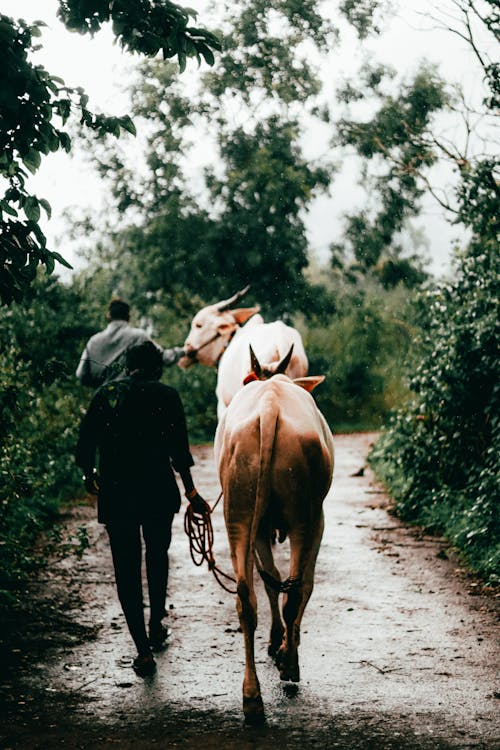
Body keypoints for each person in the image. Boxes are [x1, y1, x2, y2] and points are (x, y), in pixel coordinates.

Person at [75, 340, 210, 677]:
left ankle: (142, 648)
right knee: (157, 555)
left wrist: (89, 473)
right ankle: (156, 622)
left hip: (118, 493)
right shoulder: (166, 396)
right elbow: (179, 451)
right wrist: (192, 492)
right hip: (156, 491)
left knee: (126, 566)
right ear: (156, 368)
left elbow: (85, 442)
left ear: (126, 365)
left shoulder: (106, 394)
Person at [76, 297, 187, 388]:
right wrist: (183, 351)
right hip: (133, 399)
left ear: (109, 316)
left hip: (105, 402)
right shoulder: (138, 337)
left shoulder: (93, 341)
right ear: (128, 317)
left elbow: (81, 375)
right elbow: (162, 357)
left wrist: (103, 384)